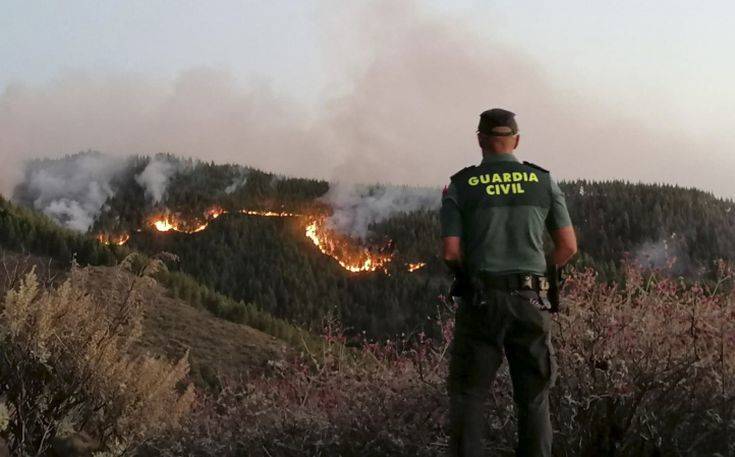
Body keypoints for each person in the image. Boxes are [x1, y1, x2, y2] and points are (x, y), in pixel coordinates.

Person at [440, 108, 577, 457]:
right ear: (516, 140)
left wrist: (470, 277)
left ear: (481, 141)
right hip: (531, 300)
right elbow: (568, 247)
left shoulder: (461, 184)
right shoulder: (543, 181)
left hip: (482, 301)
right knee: (533, 398)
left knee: (469, 396)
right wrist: (539, 277)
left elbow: (451, 252)